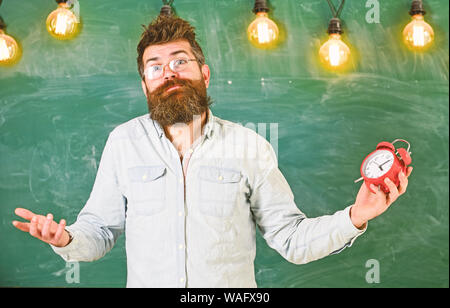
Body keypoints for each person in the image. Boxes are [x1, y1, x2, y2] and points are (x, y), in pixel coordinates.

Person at [12, 15, 413, 288]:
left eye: (179, 61)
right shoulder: (123, 143)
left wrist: (357, 216)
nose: (167, 72)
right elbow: (98, 233)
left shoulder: (249, 146)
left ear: (204, 73)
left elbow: (291, 239)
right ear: (144, 84)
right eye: (154, 67)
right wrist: (64, 239)